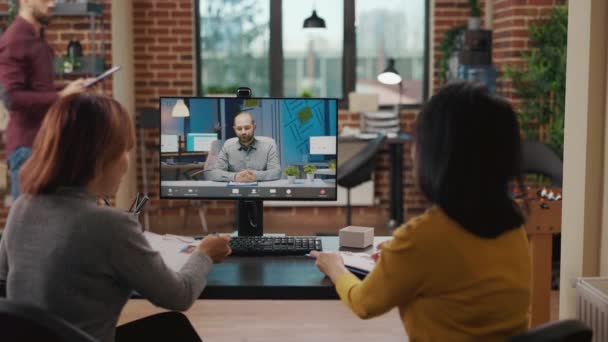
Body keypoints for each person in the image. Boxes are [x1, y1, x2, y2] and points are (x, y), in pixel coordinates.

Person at [0, 94, 232, 342]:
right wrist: (205, 253)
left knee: (171, 328)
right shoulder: (108, 225)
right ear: (99, 158)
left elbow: (4, 281)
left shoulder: (22, 206)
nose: (126, 163)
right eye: (123, 151)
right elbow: (179, 295)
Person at [311, 82, 532, 341]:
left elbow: (364, 303)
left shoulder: (424, 236)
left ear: (436, 154)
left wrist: (335, 267)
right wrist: (400, 257)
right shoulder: (513, 223)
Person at [0, 0, 90, 200]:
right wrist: (60, 96)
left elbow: (39, 90)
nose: (52, 4)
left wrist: (70, 90)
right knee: (28, 227)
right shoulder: (15, 39)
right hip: (27, 149)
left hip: (43, 144)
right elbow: (12, 98)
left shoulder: (37, 38)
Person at [207, 112, 282, 182]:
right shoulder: (228, 146)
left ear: (254, 127)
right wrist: (235, 177)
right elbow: (215, 173)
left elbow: (276, 172)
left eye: (247, 128)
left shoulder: (269, 145)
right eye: (239, 129)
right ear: (234, 129)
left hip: (260, 192)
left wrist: (256, 176)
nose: (243, 132)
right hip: (235, 192)